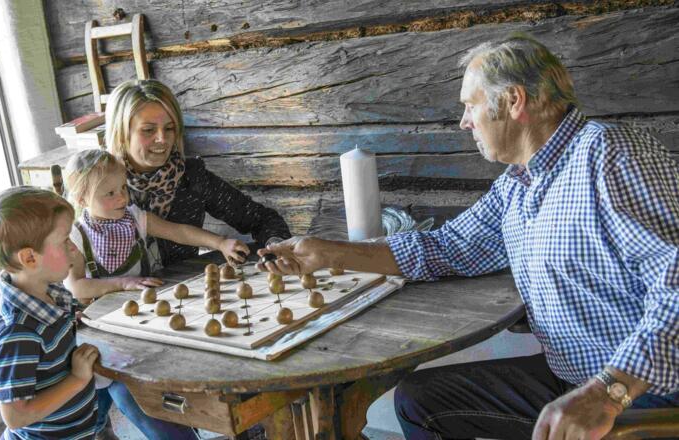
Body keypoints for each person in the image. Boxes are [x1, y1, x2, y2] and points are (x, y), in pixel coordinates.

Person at [256, 33, 678, 440]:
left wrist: (608, 392)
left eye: (470, 106)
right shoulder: (518, 184)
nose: (464, 122)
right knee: (418, 401)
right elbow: (448, 246)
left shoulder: (610, 154)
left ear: (513, 101)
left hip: (645, 390)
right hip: (576, 376)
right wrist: (327, 253)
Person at [62, 148, 244, 440]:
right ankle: (99, 430)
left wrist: (220, 242)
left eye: (122, 188)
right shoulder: (76, 236)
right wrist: (123, 283)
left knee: (151, 388)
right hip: (100, 332)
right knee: (108, 395)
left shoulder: (134, 219)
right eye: (109, 194)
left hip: (143, 322)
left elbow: (180, 232)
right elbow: (78, 287)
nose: (121, 197)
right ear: (82, 200)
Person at [104, 79, 291, 272]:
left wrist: (274, 247)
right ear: (121, 133)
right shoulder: (98, 180)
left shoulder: (192, 177)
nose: (162, 139)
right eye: (148, 130)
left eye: (169, 128)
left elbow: (262, 219)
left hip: (183, 294)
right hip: (118, 296)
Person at [0, 186, 99, 439]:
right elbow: (15, 417)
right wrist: (76, 378)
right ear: (30, 258)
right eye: (64, 240)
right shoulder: (17, 330)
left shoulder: (42, 291)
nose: (73, 248)